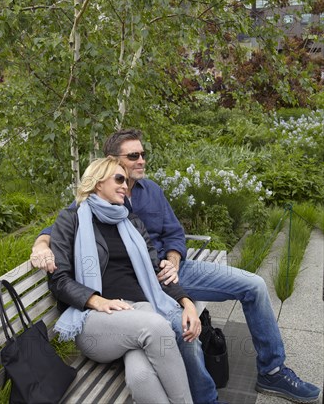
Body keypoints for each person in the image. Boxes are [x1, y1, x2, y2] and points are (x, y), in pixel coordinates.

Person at [32, 129, 321, 404]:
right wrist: (41, 244)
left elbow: (174, 234)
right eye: (133, 156)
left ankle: (272, 372)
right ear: (110, 162)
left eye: (143, 154)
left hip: (168, 273)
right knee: (177, 334)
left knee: (255, 285)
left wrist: (173, 262)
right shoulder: (86, 210)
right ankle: (204, 397)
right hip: (140, 287)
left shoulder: (147, 196)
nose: (141, 160)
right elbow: (63, 229)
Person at [48, 156, 223, 404]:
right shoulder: (72, 219)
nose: (125, 185)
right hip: (95, 319)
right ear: (98, 183)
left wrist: (187, 303)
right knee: (158, 327)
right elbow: (58, 278)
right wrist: (95, 300)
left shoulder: (130, 221)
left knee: (141, 378)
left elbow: (156, 271)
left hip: (140, 311)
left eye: (126, 180)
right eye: (119, 179)